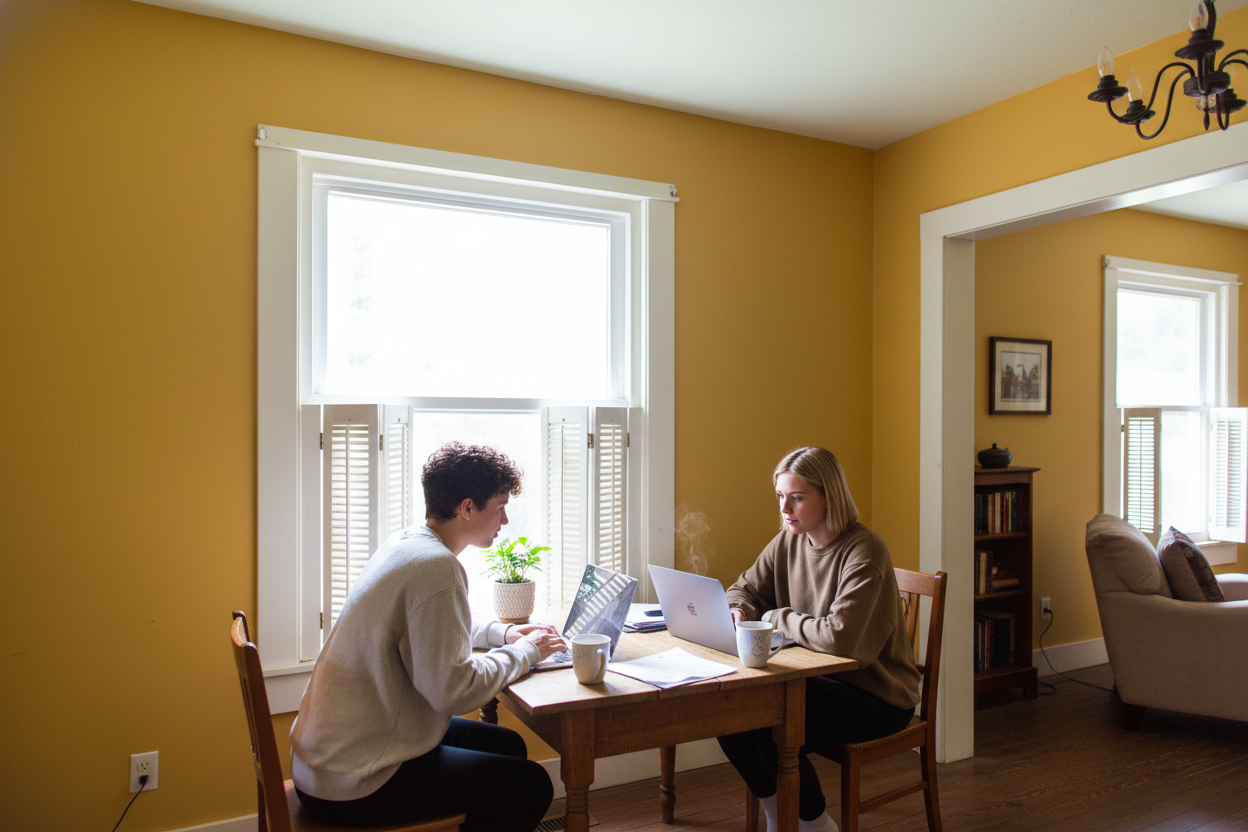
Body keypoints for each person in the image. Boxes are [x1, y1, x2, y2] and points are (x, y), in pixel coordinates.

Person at [290, 442, 566, 832]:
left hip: (327, 762)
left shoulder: (409, 545)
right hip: (356, 781)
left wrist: (502, 634)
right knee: (531, 786)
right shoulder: (436, 568)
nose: (504, 521)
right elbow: (455, 691)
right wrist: (526, 652)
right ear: (467, 508)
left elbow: (430, 628)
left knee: (508, 747)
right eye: (500, 507)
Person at [718, 447, 921, 832]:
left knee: (776, 737)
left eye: (796, 497)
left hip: (878, 693)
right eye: (780, 496)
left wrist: (776, 616)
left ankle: (816, 825)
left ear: (829, 497)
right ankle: (781, 814)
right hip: (820, 680)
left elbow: (840, 639)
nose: (785, 508)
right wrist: (740, 610)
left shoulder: (865, 550)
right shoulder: (789, 540)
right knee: (730, 720)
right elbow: (742, 588)